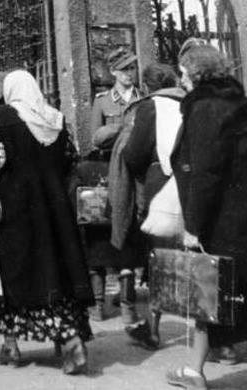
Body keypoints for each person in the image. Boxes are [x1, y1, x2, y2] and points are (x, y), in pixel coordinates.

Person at [0, 69, 92, 374]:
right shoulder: (56, 119)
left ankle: (15, 344)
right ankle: (64, 340)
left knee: (8, 272)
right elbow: (71, 160)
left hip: (12, 208)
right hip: (54, 208)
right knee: (52, 271)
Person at [165, 44, 247, 390]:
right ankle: (215, 354)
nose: (182, 79)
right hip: (244, 210)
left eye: (184, 72)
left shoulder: (204, 109)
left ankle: (194, 372)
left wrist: (193, 226)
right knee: (227, 286)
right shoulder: (237, 101)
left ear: (195, 73)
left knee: (208, 288)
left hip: (218, 215)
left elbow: (205, 171)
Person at [119, 61, 184, 350]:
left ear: (146, 86)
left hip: (161, 183)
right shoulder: (190, 100)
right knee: (197, 258)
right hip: (192, 181)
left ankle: (155, 330)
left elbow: (134, 154)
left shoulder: (150, 106)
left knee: (161, 258)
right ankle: (220, 342)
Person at [87, 46, 143, 325]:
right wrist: (121, 129)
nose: (129, 74)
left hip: (133, 174)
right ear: (113, 73)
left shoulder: (143, 99)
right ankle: (97, 304)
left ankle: (128, 305)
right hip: (105, 174)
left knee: (129, 240)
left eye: (132, 68)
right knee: (99, 236)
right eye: (123, 70)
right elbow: (94, 139)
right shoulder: (101, 102)